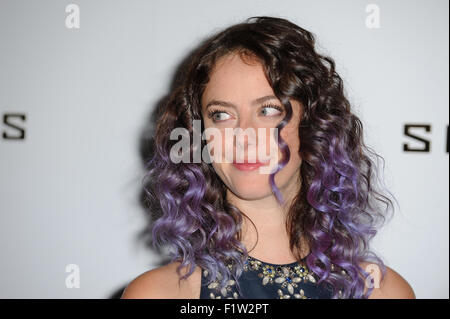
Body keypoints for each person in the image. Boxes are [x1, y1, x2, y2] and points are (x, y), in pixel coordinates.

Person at [121, 16, 415, 299]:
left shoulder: (381, 292)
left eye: (268, 110)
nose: (243, 135)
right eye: (221, 115)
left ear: (314, 125)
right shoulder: (158, 294)